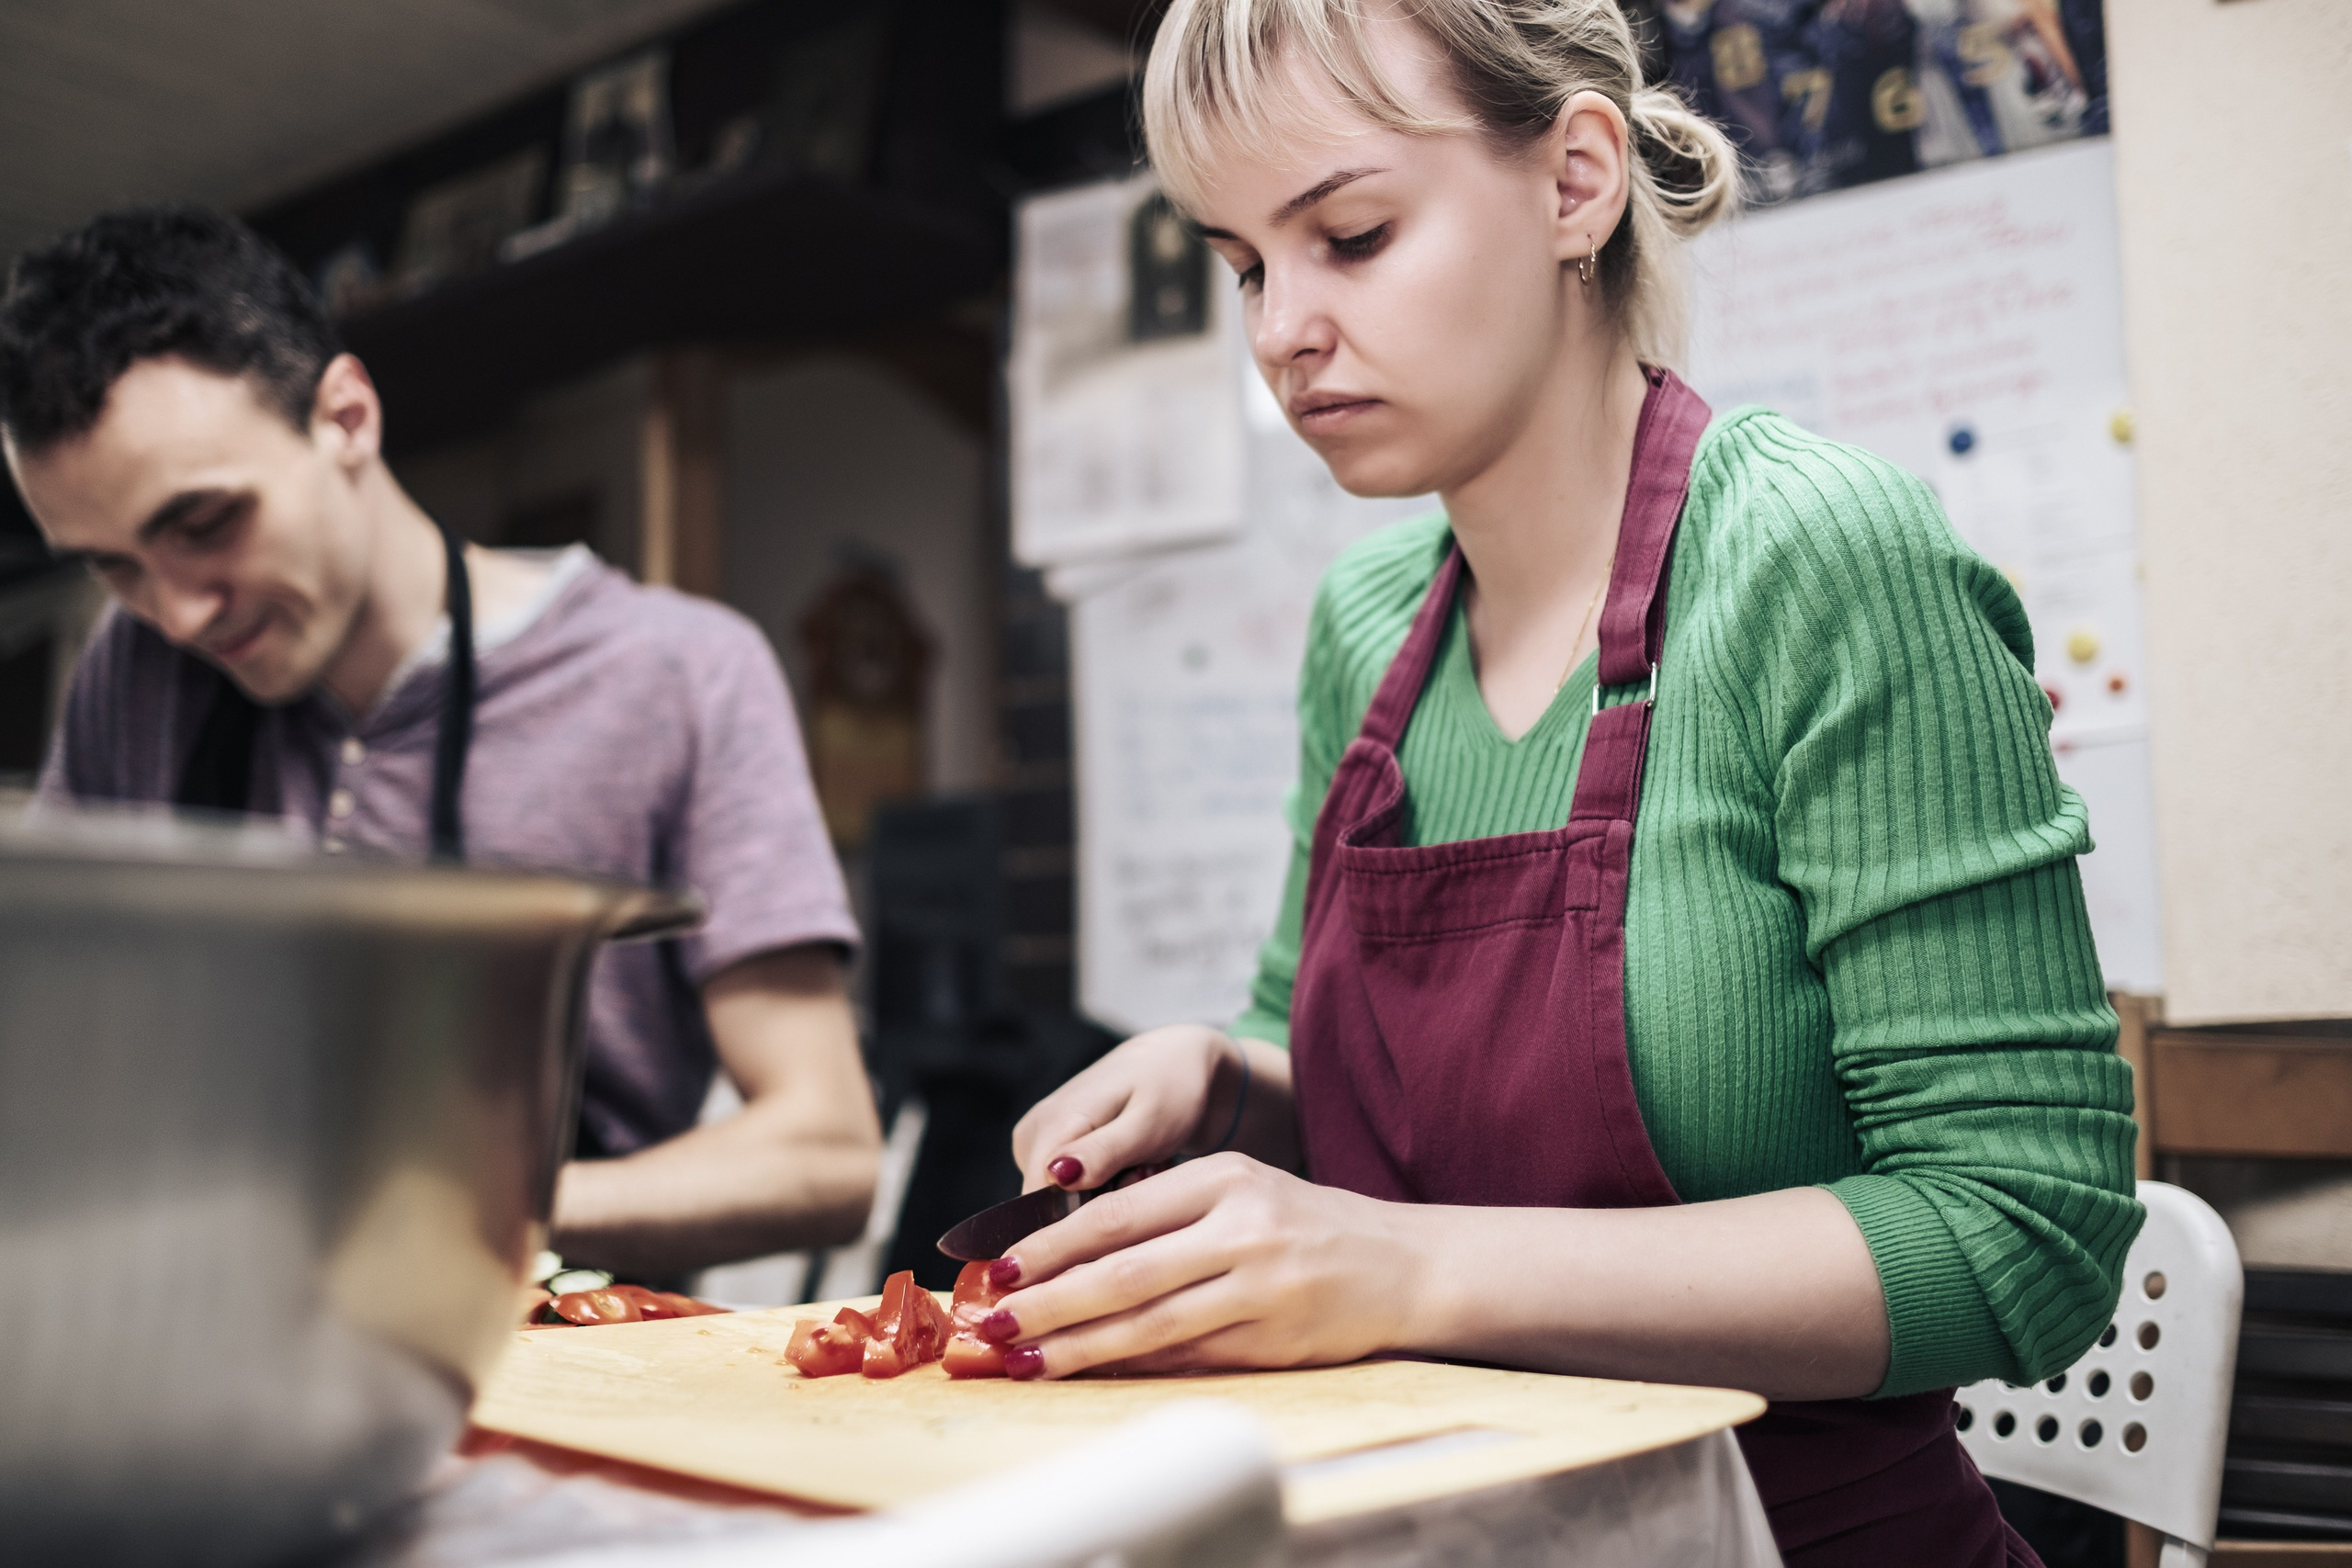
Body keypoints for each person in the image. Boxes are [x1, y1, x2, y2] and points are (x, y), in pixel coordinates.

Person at [983, 3, 2140, 1563]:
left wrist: (1406, 1266)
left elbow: (2023, 1228)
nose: (1281, 331)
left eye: (1352, 236)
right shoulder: (1369, 625)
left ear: (1575, 182)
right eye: (1246, 265)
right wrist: (1228, 1076)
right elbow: (1340, 1098)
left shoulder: (1818, 559)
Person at [0, 207, 881, 1282]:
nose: (177, 613)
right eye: (114, 565)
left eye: (204, 524)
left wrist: (453, 1211)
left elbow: (827, 1151)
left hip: (554, 1344)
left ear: (347, 417)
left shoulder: (679, 673)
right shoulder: (134, 673)